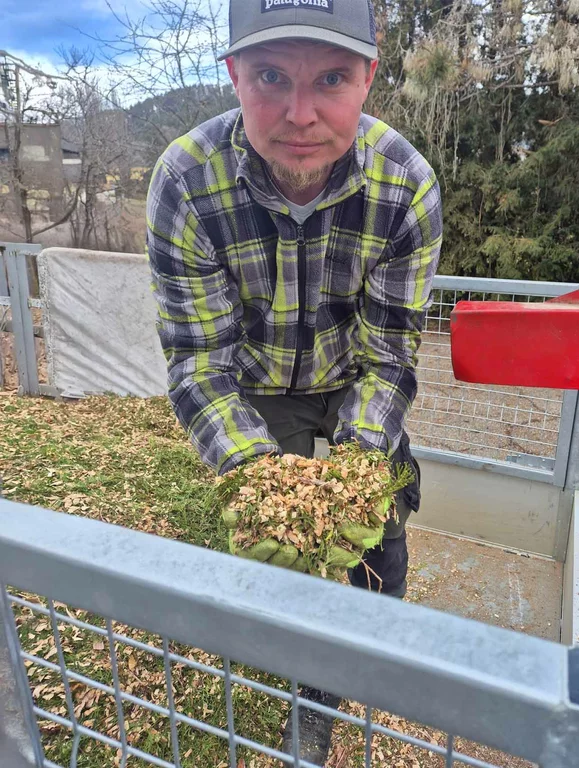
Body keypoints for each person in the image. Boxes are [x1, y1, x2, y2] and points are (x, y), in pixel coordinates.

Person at [146, 0, 442, 761]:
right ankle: (298, 672)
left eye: (331, 79)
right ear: (234, 74)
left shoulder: (406, 184)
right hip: (254, 384)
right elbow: (200, 361)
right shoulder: (185, 180)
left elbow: (390, 356)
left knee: (379, 533)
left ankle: (359, 657)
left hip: (355, 376)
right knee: (278, 547)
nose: (300, 114)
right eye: (271, 77)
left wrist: (356, 469)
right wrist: (258, 475)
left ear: (368, 77)